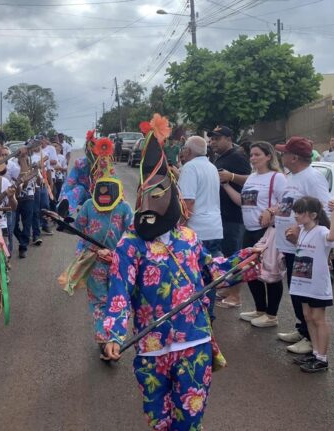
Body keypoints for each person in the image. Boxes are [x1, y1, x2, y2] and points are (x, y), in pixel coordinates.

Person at [102, 114, 257, 430]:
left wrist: (246, 260)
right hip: (150, 348)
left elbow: (210, 272)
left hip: (194, 343)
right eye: (147, 196)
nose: (152, 202)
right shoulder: (129, 245)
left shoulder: (189, 237)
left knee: (189, 419)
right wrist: (114, 334)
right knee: (158, 420)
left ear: (172, 197)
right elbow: (119, 293)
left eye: (160, 195)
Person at [62, 148, 133, 361]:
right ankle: (106, 342)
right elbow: (80, 230)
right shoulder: (89, 206)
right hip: (96, 263)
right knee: (103, 301)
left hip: (117, 262)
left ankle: (112, 340)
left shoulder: (123, 209)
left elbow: (131, 236)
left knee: (113, 301)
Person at [271, 137, 331, 355]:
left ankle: (309, 337)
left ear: (294, 157)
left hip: (305, 246)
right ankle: (301, 328)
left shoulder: (312, 177)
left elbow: (325, 209)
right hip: (290, 245)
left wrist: (304, 231)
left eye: (285, 153)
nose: (282, 156)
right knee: (296, 290)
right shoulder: (293, 176)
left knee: (306, 294)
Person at [221, 141, 287, 327]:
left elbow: (287, 203)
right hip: (248, 229)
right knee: (249, 270)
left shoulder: (277, 178)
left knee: (270, 271)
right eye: (251, 155)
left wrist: (271, 211)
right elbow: (243, 202)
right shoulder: (251, 178)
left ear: (268, 156)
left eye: (257, 154)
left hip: (266, 231)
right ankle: (260, 309)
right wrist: (226, 186)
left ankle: (272, 315)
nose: (253, 158)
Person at [286, 197, 334, 373]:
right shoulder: (301, 231)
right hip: (302, 282)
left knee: (318, 318)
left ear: (314, 215)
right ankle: (315, 352)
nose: (296, 216)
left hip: (316, 283)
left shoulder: (322, 230)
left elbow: (333, 236)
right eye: (296, 212)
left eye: (300, 212)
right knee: (307, 316)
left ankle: (322, 358)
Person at [177, 136, 223, 319]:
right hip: (214, 228)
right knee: (209, 278)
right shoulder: (211, 167)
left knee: (193, 276)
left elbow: (188, 202)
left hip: (197, 231)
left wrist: (179, 227)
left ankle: (198, 318)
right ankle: (208, 315)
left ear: (188, 151)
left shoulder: (190, 168)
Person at [210, 125, 252, 309]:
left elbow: (251, 179)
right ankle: (227, 290)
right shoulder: (221, 157)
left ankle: (235, 297)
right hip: (222, 214)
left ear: (228, 138)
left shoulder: (238, 156)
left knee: (234, 256)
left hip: (235, 216)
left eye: (217, 139)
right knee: (226, 255)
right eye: (212, 139)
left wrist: (231, 176)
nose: (213, 142)